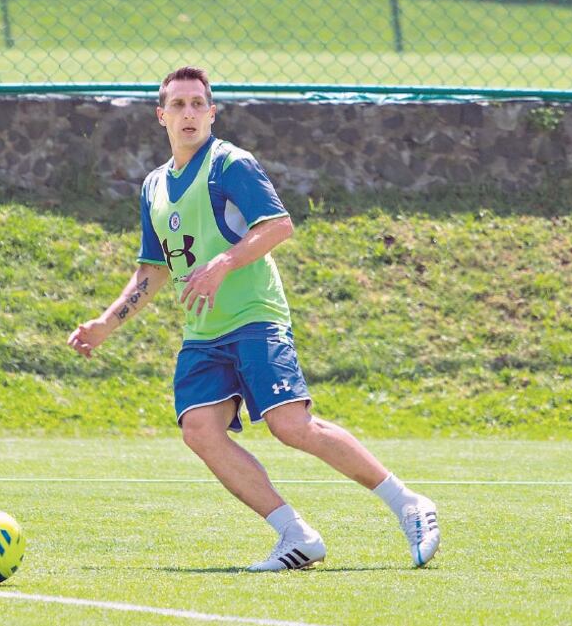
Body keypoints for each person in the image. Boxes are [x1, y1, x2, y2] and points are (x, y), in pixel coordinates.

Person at [68, 66, 440, 571]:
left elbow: (279, 225)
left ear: (212, 113)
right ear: (161, 116)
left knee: (291, 425)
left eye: (198, 103)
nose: (189, 113)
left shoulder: (230, 164)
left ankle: (409, 505)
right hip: (203, 332)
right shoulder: (154, 186)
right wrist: (105, 325)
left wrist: (223, 263)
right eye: (177, 105)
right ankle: (296, 535)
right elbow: (152, 270)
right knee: (199, 428)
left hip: (254, 317)